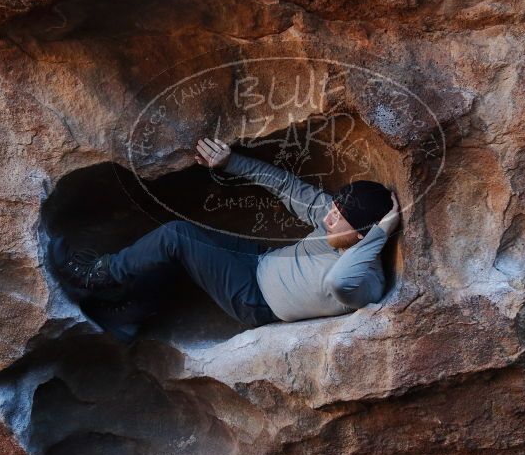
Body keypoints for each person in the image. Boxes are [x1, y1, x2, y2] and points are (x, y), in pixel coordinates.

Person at [48, 137, 401, 341]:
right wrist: (231, 161)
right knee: (182, 247)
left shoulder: (364, 281)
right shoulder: (335, 223)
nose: (327, 217)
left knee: (177, 236)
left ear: (364, 235)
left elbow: (340, 282)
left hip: (256, 300)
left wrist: (380, 233)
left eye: (338, 218)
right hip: (259, 260)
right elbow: (288, 187)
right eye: (333, 208)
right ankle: (130, 316)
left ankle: (96, 276)